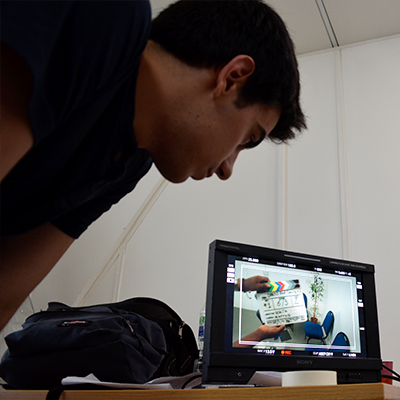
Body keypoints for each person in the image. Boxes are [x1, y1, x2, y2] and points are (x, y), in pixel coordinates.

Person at [0, 0, 306, 331]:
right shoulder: (108, 17)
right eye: (248, 139)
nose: (227, 169)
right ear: (232, 78)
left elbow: (6, 289)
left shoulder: (130, 163)